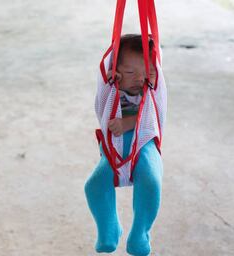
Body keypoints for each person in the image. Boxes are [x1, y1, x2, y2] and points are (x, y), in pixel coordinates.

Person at [84, 34, 163, 256]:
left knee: (151, 181)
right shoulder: (113, 90)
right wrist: (110, 82)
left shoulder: (150, 91)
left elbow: (148, 118)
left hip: (144, 145)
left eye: (146, 72)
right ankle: (109, 228)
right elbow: (103, 95)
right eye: (130, 73)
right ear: (117, 71)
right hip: (115, 149)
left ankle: (140, 233)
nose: (139, 78)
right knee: (94, 185)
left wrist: (126, 122)